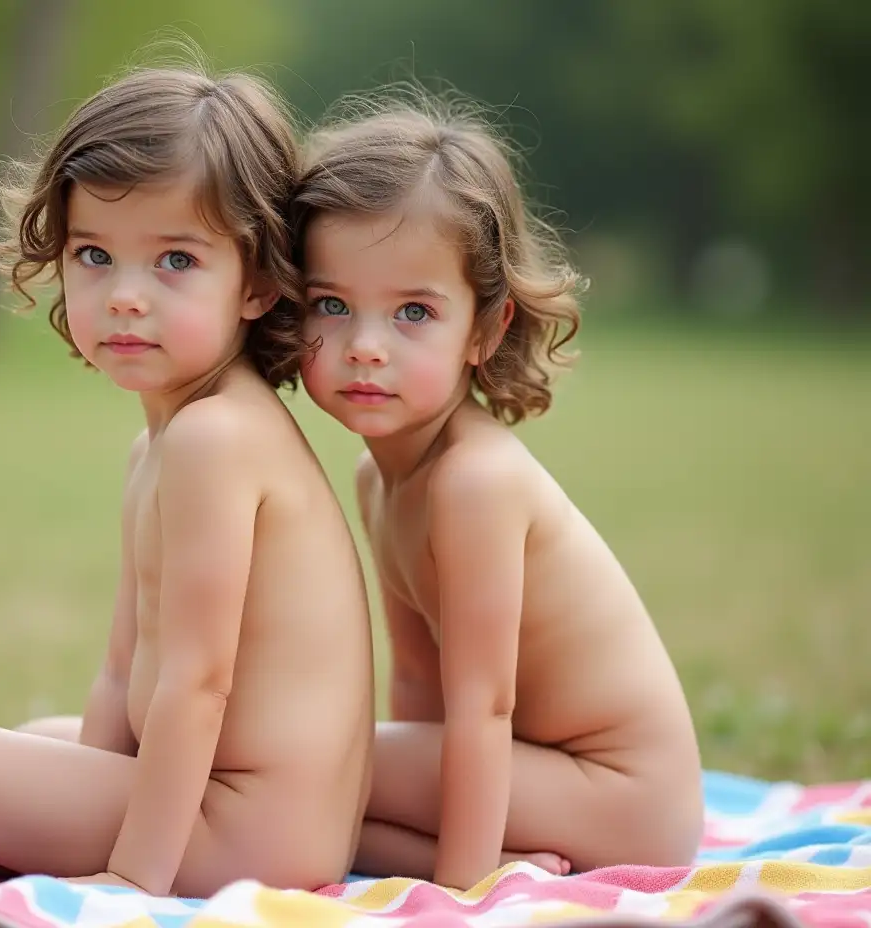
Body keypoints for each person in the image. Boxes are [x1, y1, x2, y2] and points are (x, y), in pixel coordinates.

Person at [0, 57, 375, 900]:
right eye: (96, 255)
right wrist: (83, 781)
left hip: (246, 828)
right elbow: (123, 670)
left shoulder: (214, 440)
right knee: (41, 737)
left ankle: (150, 858)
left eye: (175, 260)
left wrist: (128, 881)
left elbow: (198, 683)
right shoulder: (165, 444)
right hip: (240, 806)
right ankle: (120, 824)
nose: (126, 296)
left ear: (254, 281)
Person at [290, 93, 704, 891]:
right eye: (331, 306)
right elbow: (417, 682)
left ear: (484, 329)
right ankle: (497, 860)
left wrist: (461, 891)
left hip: (622, 796)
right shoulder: (380, 471)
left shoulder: (474, 481)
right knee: (313, 784)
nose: (365, 347)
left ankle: (476, 871)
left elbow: (481, 709)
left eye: (413, 311)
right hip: (541, 775)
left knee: (301, 761)